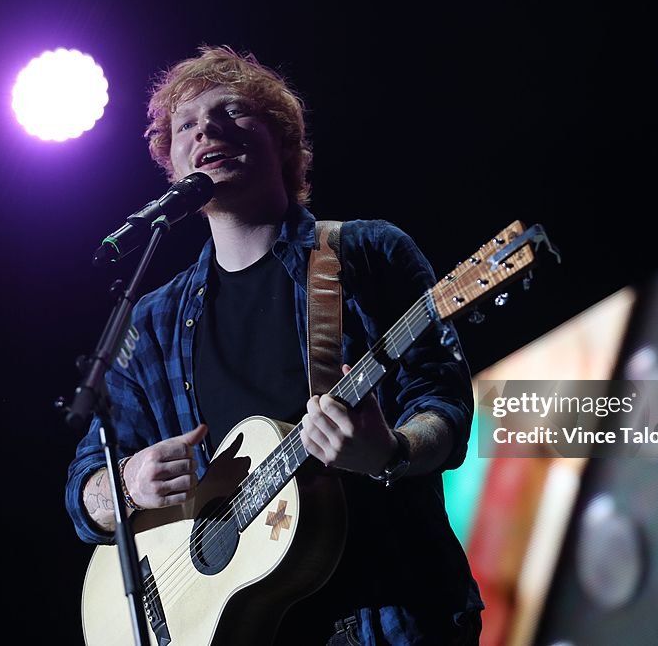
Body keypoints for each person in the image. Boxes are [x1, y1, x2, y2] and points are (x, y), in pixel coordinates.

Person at [65, 45, 483, 645]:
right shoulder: (149, 325)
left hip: (388, 617)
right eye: (186, 124)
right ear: (172, 165)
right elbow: (86, 488)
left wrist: (387, 452)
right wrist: (127, 484)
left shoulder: (366, 253)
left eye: (232, 111)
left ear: (284, 141)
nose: (206, 128)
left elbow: (442, 405)